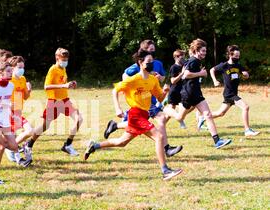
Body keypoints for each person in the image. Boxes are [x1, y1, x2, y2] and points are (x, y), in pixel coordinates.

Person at [84, 49, 183, 181]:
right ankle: (165, 170)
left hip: (145, 114)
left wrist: (165, 91)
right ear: (140, 63)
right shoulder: (133, 80)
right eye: (148, 62)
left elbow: (159, 98)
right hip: (136, 114)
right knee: (159, 136)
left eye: (152, 61)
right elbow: (115, 90)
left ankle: (94, 146)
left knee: (122, 142)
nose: (151, 64)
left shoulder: (153, 80)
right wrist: (117, 108)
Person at [103, 40, 183, 157]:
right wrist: (135, 89)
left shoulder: (158, 63)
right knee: (160, 119)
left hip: (152, 99)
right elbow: (125, 76)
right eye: (150, 50)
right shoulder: (138, 65)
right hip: (142, 101)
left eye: (154, 50)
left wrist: (159, 78)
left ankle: (115, 125)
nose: (153, 52)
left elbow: (162, 78)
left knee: (128, 135)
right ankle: (166, 149)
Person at [163, 39, 232, 149]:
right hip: (188, 94)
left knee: (208, 115)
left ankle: (217, 141)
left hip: (196, 93)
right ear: (196, 50)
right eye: (203, 51)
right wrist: (201, 73)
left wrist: (199, 74)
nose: (205, 53)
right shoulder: (193, 61)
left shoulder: (196, 60)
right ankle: (165, 109)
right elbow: (186, 74)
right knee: (179, 116)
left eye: (205, 51)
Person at [23, 48, 83, 159]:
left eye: (66, 59)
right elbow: (46, 87)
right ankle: (29, 144)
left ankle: (68, 145)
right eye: (63, 59)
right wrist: (63, 86)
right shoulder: (53, 69)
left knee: (79, 119)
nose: (65, 61)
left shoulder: (63, 69)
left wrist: (71, 84)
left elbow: (62, 83)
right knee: (45, 126)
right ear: (57, 58)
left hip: (65, 100)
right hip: (54, 101)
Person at [0, 62, 31, 184]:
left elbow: (7, 103)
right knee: (0, 147)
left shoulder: (10, 86)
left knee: (14, 146)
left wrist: (12, 110)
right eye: (8, 71)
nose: (11, 73)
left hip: (5, 119)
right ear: (0, 73)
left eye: (11, 70)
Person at [209, 45, 259, 137]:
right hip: (229, 93)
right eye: (236, 56)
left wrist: (245, 74)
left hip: (234, 93)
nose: (237, 57)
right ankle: (247, 130)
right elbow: (212, 70)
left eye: (238, 56)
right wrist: (215, 81)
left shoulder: (238, 66)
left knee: (221, 113)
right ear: (230, 55)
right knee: (245, 107)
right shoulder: (224, 65)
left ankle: (203, 117)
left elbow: (246, 75)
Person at [3, 56, 34, 162]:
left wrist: (28, 90)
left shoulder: (22, 79)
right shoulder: (7, 80)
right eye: (19, 67)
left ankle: (11, 147)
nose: (22, 70)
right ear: (12, 68)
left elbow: (25, 97)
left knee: (28, 132)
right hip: (9, 113)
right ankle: (11, 147)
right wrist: (7, 104)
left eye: (23, 67)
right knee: (29, 131)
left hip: (18, 112)